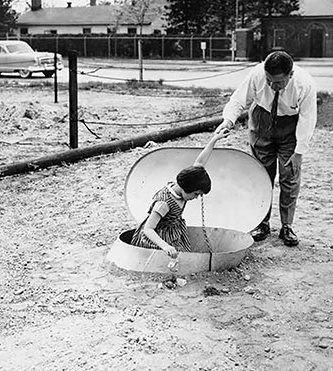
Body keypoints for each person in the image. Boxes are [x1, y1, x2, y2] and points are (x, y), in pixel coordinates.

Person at [215, 50, 317, 247]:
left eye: (278, 82)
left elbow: (308, 119)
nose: (272, 85)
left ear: (290, 75)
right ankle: (261, 222)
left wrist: (299, 152)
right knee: (261, 175)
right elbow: (238, 99)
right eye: (269, 80)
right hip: (261, 121)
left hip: (290, 127)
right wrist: (228, 120)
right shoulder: (257, 75)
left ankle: (287, 226)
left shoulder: (305, 84)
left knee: (289, 176)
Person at [131, 129, 229, 257]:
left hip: (173, 231)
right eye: (196, 194)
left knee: (183, 256)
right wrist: (165, 246)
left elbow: (200, 162)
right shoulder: (164, 203)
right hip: (157, 236)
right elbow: (148, 229)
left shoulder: (185, 184)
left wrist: (214, 139)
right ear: (186, 188)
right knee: (168, 258)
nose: (196, 197)